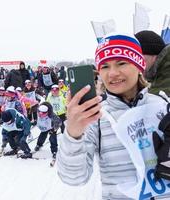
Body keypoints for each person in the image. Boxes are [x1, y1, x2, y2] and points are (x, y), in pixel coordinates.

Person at [57, 33, 170, 199]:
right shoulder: (95, 116)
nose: (112, 73)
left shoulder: (162, 104)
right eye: (104, 66)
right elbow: (74, 178)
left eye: (122, 63)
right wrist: (73, 133)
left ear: (139, 65)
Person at [135, 30, 170, 95]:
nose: (135, 64)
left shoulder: (167, 69)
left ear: (151, 52)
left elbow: (157, 99)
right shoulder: (161, 70)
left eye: (138, 57)